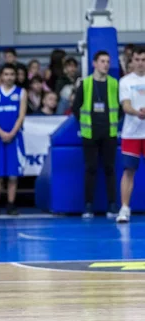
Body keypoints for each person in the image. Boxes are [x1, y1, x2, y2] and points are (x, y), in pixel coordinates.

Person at [71, 50, 120, 219]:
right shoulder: (85, 84)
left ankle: (113, 205)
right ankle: (88, 205)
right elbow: (76, 107)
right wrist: (85, 123)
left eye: (108, 61)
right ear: (94, 63)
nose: (105, 64)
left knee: (110, 169)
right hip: (90, 133)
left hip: (109, 132)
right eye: (102, 61)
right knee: (90, 169)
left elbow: (119, 108)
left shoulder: (114, 84)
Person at [0, 63, 27, 216]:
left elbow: (21, 115)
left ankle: (11, 204)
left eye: (12, 74)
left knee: (13, 173)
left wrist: (11, 133)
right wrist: (1, 132)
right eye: (6, 74)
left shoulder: (21, 92)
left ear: (15, 76)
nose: (9, 77)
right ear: (1, 76)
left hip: (15, 138)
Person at [117, 46, 145, 223]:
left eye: (143, 60)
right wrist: (138, 112)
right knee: (129, 171)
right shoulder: (125, 81)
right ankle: (125, 208)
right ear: (132, 61)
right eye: (137, 60)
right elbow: (125, 106)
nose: (140, 63)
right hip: (131, 134)